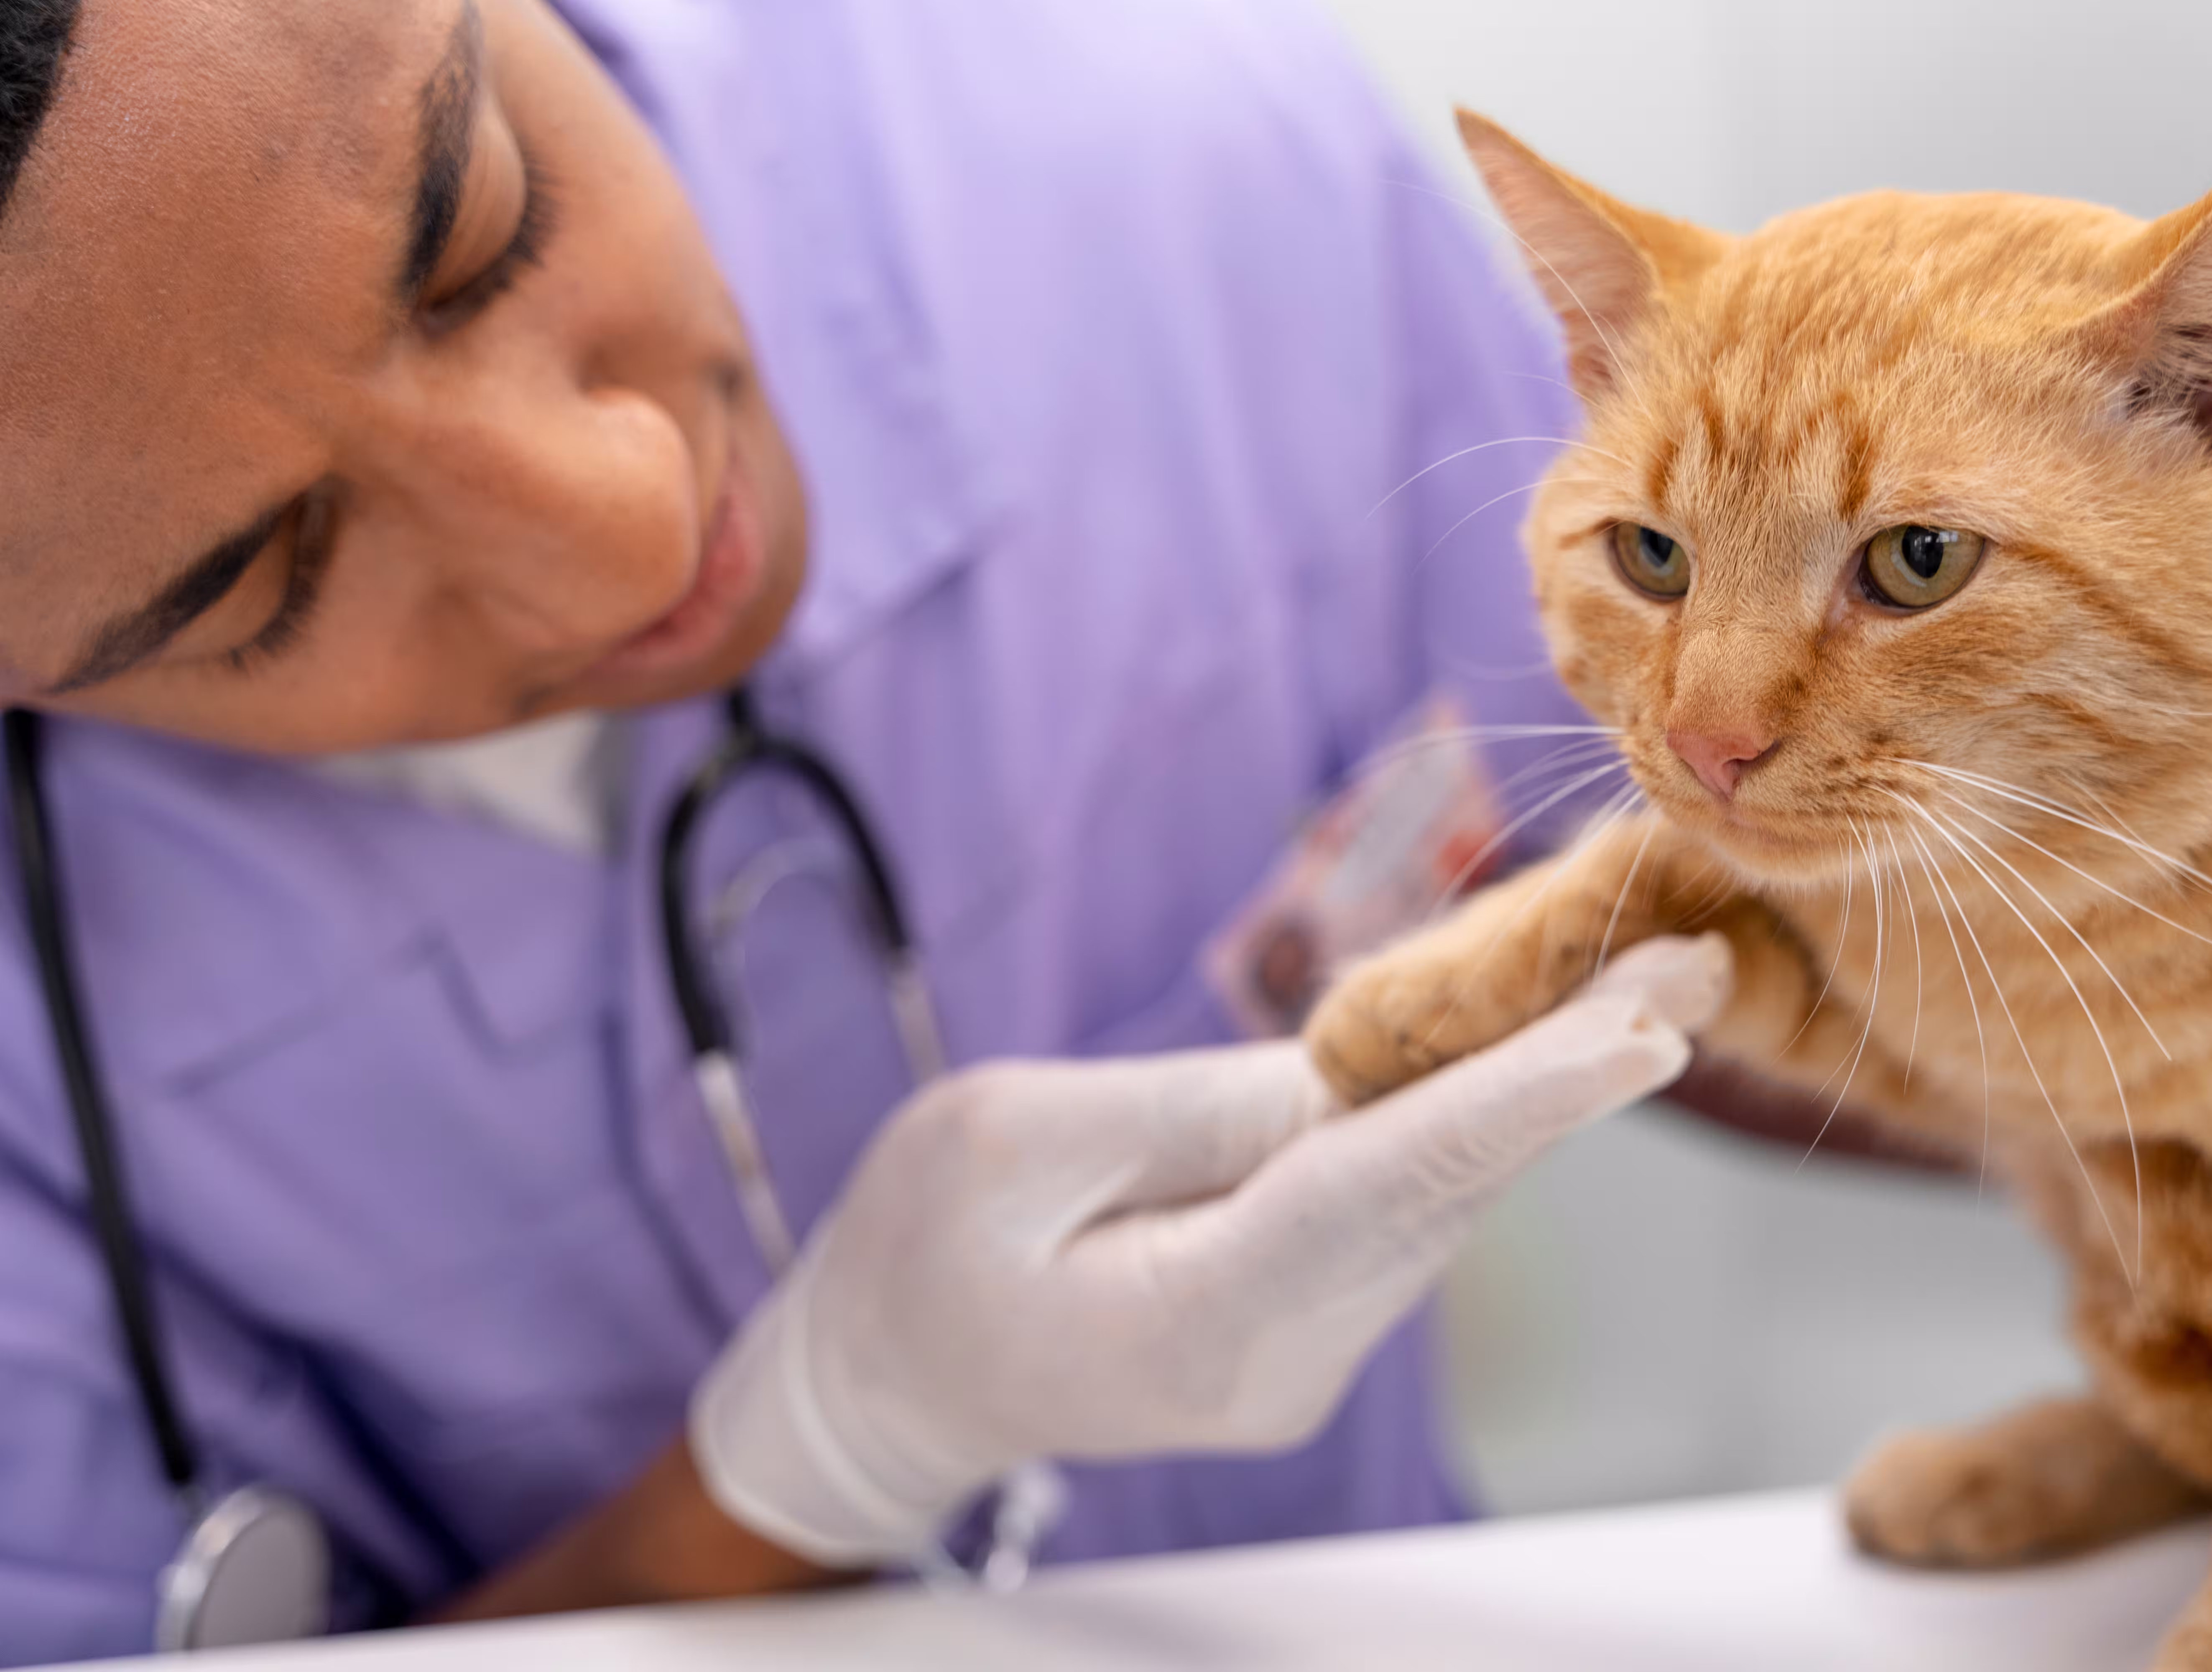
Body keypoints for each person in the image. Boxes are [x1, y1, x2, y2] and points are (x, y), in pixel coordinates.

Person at [0, 0, 1748, 1660]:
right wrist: (808, 1457)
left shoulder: (1164, 142)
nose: (634, 530)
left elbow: (1699, 883)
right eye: (260, 580)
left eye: (487, 226)